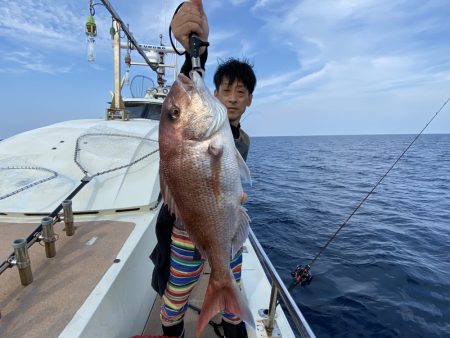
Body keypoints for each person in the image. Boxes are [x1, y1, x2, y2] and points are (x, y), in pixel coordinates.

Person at [150, 1, 256, 337]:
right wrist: (194, 51)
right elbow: (191, 86)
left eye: (241, 92)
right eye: (226, 90)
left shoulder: (236, 138)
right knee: (174, 300)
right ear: (215, 93)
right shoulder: (208, 126)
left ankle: (227, 307)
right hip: (185, 232)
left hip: (222, 230)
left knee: (232, 300)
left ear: (250, 100)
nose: (233, 98)